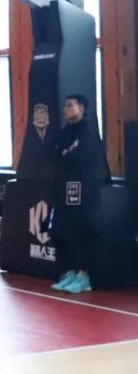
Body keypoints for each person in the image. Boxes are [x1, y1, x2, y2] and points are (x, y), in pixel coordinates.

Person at [48, 94, 109, 294]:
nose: (66, 109)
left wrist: (66, 153)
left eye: (70, 105)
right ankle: (71, 272)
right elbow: (53, 153)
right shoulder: (64, 132)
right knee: (62, 230)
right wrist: (65, 153)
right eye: (65, 106)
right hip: (64, 188)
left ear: (81, 109)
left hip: (85, 188)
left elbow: (77, 156)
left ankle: (84, 276)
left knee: (85, 230)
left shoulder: (89, 131)